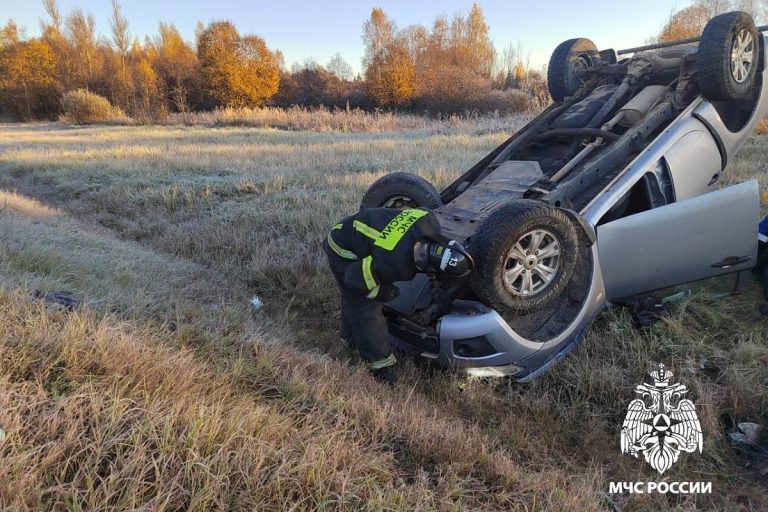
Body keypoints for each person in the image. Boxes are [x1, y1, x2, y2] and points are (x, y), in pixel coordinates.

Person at [323, 207, 472, 385]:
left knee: (354, 298)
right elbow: (355, 279)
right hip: (342, 248)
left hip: (358, 226)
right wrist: (383, 293)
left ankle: (349, 338)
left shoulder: (429, 220)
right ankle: (379, 366)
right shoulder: (397, 262)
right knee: (365, 307)